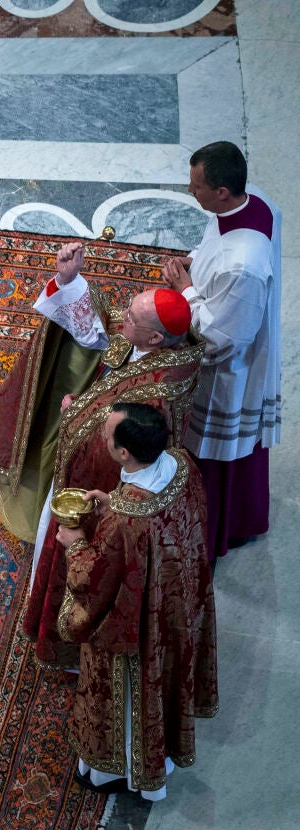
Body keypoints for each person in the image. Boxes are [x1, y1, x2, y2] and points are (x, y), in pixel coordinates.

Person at [0, 244, 204, 669]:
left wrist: (76, 414)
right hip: (95, 447)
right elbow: (102, 325)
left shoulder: (160, 390)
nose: (123, 317)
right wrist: (69, 280)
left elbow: (121, 447)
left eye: (132, 318)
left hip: (105, 488)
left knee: (86, 571)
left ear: (155, 339)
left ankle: (68, 649)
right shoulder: (151, 340)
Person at [54, 402, 216, 801]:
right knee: (166, 682)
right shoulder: (182, 465)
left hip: (139, 625)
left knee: (131, 696)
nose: (103, 436)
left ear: (124, 453)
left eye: (107, 434)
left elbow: (94, 581)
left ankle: (122, 771)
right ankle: (163, 755)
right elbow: (168, 527)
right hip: (177, 604)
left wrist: (75, 544)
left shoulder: (126, 521)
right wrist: (116, 501)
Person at [161, 141, 283, 556]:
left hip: (229, 376)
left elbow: (220, 341)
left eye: (196, 186)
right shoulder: (255, 201)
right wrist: (195, 262)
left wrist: (186, 290)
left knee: (218, 454)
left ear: (223, 192)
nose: (190, 190)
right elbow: (214, 243)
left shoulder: (243, 264)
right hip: (230, 315)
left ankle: (214, 533)